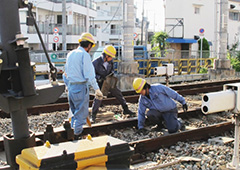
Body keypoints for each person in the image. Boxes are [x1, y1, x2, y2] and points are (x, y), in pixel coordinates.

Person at [64, 32, 103, 139]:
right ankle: (76, 137)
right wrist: (97, 89)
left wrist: (67, 86)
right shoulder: (84, 55)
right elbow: (89, 74)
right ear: (89, 45)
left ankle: (71, 134)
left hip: (71, 87)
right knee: (81, 115)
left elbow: (65, 73)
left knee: (74, 114)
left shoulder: (70, 54)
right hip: (80, 87)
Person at [91, 45, 135, 122]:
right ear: (106, 56)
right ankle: (93, 115)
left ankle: (125, 109)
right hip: (100, 83)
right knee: (98, 98)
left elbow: (112, 70)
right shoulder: (95, 63)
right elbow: (92, 74)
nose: (112, 58)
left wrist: (111, 75)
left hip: (108, 81)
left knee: (118, 93)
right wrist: (99, 78)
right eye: (111, 57)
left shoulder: (110, 61)